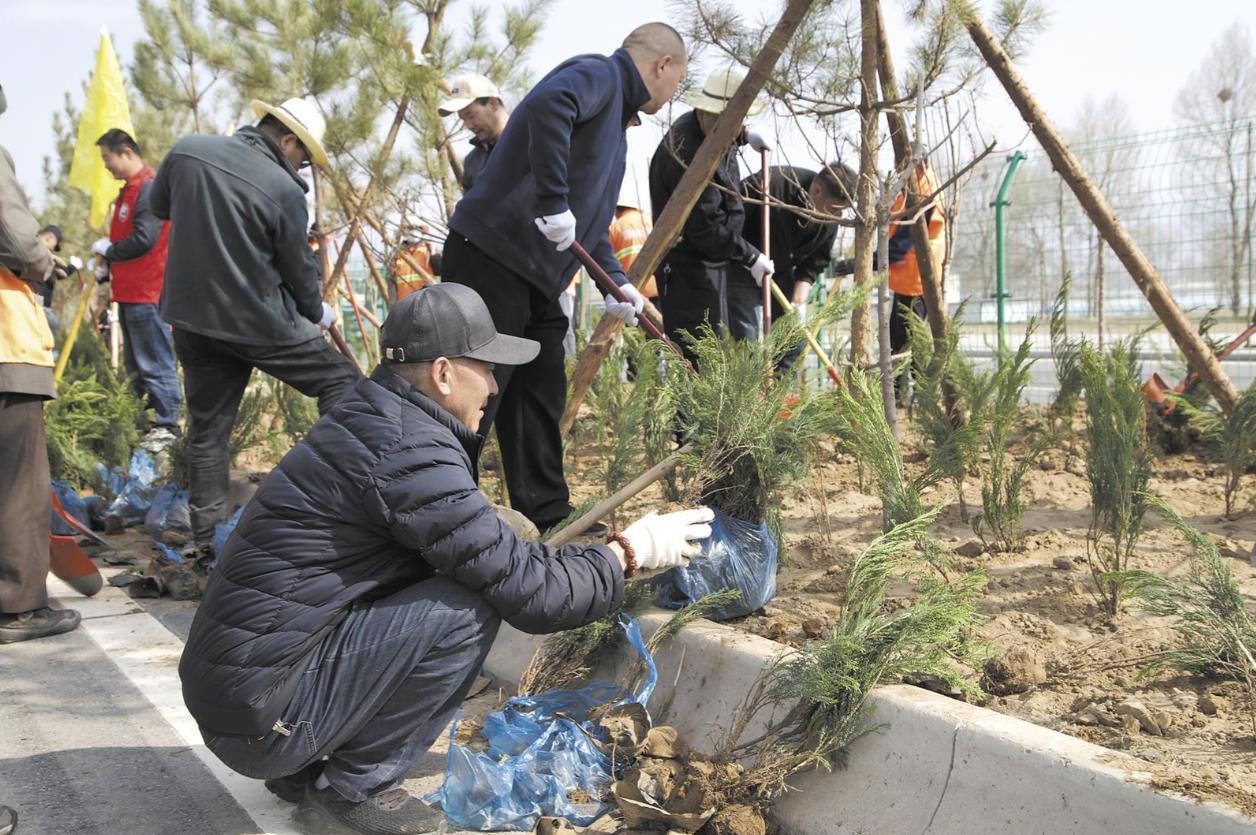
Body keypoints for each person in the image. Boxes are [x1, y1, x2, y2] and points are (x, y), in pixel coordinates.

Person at [179, 283, 714, 835]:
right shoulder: (407, 450)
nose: (493, 384)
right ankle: (350, 787)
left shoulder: (379, 417)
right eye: (484, 367)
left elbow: (492, 551)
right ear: (441, 374)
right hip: (261, 720)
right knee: (467, 608)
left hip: (246, 698)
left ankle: (305, 767)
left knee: (491, 539)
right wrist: (629, 552)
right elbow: (536, 595)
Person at [441, 22, 686, 532]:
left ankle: (547, 514)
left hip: (536, 278)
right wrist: (553, 201)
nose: (671, 94)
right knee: (475, 386)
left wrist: (616, 282)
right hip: (492, 256)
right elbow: (552, 105)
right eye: (676, 82)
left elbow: (589, 225)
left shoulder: (615, 132)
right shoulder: (601, 75)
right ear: (663, 66)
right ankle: (441, 508)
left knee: (538, 389)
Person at [150, 96, 360, 554]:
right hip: (259, 323)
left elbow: (160, 207)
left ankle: (205, 544)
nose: (302, 168)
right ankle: (333, 500)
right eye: (303, 158)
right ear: (287, 140)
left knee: (208, 433)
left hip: (193, 322)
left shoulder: (187, 151)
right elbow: (297, 269)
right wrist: (316, 310)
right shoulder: (283, 191)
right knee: (345, 384)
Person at [0, 82, 81, 644]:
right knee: (18, 482)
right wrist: (47, 262)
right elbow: (21, 245)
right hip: (5, 347)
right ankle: (17, 606)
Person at [649, 66, 774, 366]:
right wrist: (750, 256)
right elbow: (705, 229)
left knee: (723, 355)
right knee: (701, 362)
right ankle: (695, 417)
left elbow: (726, 133)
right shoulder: (687, 155)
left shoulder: (715, 132)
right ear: (705, 112)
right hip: (687, 271)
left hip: (711, 267)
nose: (732, 131)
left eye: (738, 122)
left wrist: (745, 136)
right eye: (729, 123)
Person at [88, 129, 182, 445]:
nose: (105, 166)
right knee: (136, 367)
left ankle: (167, 426)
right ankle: (144, 425)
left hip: (147, 291)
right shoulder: (127, 191)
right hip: (127, 292)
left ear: (126, 152)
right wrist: (106, 266)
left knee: (154, 361)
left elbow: (145, 238)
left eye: (107, 158)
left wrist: (109, 251)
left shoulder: (149, 187)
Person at [834, 159, 946, 400]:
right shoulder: (913, 184)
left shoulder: (920, 191)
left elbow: (897, 248)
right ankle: (897, 394)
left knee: (910, 341)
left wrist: (856, 265)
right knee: (899, 337)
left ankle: (917, 397)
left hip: (917, 278)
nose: (895, 168)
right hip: (911, 277)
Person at [730, 162, 857, 370]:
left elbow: (815, 261)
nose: (835, 217)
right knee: (747, 341)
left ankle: (779, 396)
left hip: (780, 272)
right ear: (816, 190)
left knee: (793, 338)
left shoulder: (830, 217)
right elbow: (729, 219)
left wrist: (798, 302)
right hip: (742, 267)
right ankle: (749, 399)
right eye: (834, 209)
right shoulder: (772, 184)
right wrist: (749, 256)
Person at [439, 74, 510, 192]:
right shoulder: (472, 162)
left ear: (493, 103)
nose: (468, 125)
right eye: (463, 119)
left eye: (471, 116)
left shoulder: (529, 138)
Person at [391, 221, 434, 301]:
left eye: (415, 244)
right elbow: (392, 281)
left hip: (424, 301)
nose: (411, 247)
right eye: (410, 243)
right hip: (404, 302)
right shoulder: (399, 256)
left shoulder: (427, 253)